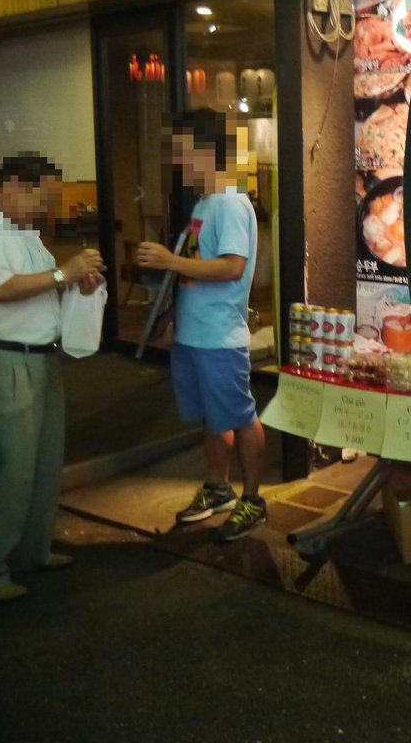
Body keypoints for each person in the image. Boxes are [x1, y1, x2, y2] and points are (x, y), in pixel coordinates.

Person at [0, 153, 107, 602]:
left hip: (38, 359)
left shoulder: (21, 230)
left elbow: (43, 287)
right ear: (13, 184)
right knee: (5, 471)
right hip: (0, 359)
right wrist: (63, 272)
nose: (45, 208)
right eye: (42, 198)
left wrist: (76, 283)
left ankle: (31, 551)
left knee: (42, 467)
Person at [137, 109, 265, 543]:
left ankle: (253, 500)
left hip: (220, 337)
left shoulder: (230, 202)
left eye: (181, 149)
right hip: (194, 334)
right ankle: (218, 489)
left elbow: (232, 266)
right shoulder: (205, 203)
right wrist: (173, 316)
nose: (176, 159)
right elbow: (195, 272)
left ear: (207, 150)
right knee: (213, 418)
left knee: (240, 417)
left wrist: (169, 261)